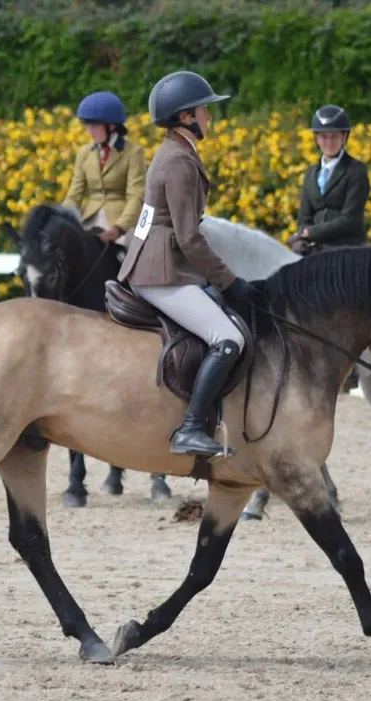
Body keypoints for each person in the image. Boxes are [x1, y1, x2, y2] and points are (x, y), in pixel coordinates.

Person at [117, 70, 256, 458]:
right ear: (185, 117)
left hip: (158, 264)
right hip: (160, 273)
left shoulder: (173, 152)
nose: (209, 117)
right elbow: (188, 237)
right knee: (230, 339)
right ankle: (191, 428)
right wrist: (230, 282)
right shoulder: (178, 160)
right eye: (204, 110)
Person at [62, 91, 146, 252]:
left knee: (135, 254)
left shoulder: (133, 152)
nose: (89, 131)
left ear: (111, 126)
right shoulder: (85, 153)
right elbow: (75, 193)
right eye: (87, 126)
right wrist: (63, 218)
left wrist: (119, 227)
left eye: (94, 126)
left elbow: (136, 195)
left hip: (122, 222)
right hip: (89, 220)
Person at [287, 104, 369, 255]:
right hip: (315, 250)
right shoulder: (310, 173)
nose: (329, 142)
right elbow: (304, 217)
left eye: (334, 136)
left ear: (344, 137)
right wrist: (301, 239)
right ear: (316, 139)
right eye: (324, 136)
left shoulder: (356, 170)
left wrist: (310, 233)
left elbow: (350, 219)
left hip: (348, 248)